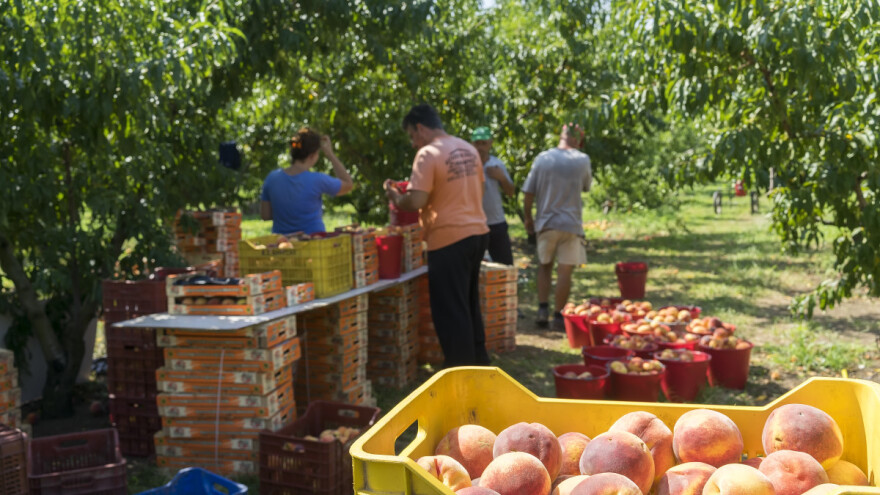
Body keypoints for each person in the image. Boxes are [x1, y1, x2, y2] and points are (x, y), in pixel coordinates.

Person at [384, 104, 491, 367]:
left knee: (451, 311)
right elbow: (480, 190)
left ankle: (460, 371)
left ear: (421, 128)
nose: (413, 143)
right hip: (477, 232)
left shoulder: (427, 154)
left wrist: (395, 197)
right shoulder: (467, 148)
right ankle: (479, 363)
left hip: (448, 238)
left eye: (412, 136)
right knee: (468, 303)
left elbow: (416, 201)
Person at [522, 122, 592, 330]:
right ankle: (558, 316)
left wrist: (528, 217)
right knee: (565, 271)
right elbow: (586, 187)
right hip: (571, 224)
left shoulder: (543, 158)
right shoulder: (582, 159)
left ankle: (542, 309)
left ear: (561, 135)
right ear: (577, 140)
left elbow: (529, 192)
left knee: (545, 266)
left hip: (546, 222)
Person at [260, 128, 353, 235]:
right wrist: (330, 154)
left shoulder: (272, 178)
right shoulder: (317, 180)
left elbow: (265, 215)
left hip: (282, 243)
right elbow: (348, 184)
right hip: (314, 240)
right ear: (312, 155)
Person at [471, 126, 515, 265]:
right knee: (474, 266)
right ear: (472, 144)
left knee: (504, 265)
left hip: (496, 223)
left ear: (490, 143)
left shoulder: (497, 164)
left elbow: (510, 192)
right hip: (473, 224)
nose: (480, 147)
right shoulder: (467, 165)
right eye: (477, 143)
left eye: (484, 143)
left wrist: (502, 177)